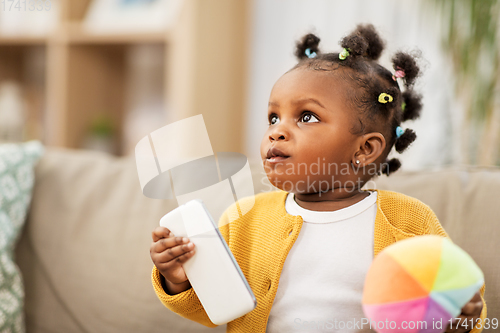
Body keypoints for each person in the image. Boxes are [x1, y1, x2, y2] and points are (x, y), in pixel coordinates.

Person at [149, 24, 486, 333]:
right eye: (273, 117)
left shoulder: (410, 220)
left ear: (366, 149)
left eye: (306, 116)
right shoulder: (244, 218)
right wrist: (179, 280)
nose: (276, 131)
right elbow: (216, 308)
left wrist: (459, 319)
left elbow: (453, 297)